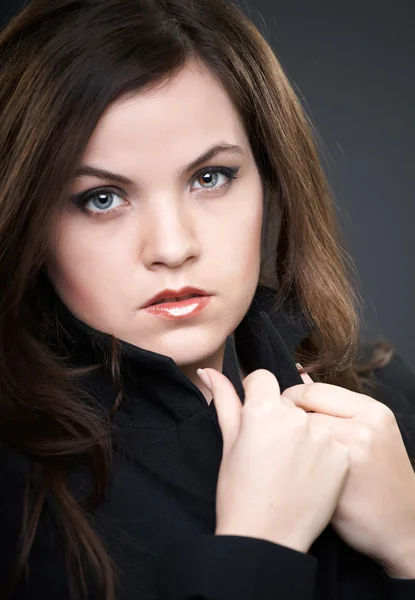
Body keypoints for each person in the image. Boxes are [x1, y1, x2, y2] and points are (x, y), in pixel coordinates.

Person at [0, 0, 414, 598]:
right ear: (29, 219)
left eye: (209, 177)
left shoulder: (379, 403)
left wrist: (408, 544)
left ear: (269, 180)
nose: (172, 247)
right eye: (101, 198)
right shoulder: (18, 493)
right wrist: (258, 549)